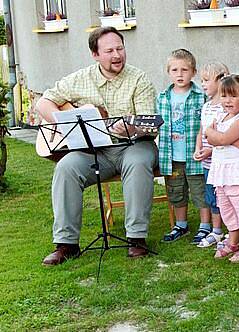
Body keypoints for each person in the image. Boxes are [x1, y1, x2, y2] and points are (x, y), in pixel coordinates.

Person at [37, 27, 158, 265]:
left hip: (133, 145)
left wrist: (131, 128)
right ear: (95, 54)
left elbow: (149, 124)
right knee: (66, 168)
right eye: (110, 50)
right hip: (94, 151)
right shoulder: (80, 79)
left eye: (120, 48)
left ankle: (136, 238)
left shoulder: (139, 79)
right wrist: (63, 124)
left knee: (138, 162)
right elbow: (43, 103)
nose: (117, 55)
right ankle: (66, 244)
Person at [157, 49, 211, 243]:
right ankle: (181, 224)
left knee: (200, 190)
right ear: (168, 72)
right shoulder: (163, 97)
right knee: (176, 191)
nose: (180, 74)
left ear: (193, 72)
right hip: (172, 156)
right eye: (175, 70)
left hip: (194, 155)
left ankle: (205, 225)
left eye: (184, 70)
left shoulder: (200, 96)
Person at [206, 74, 239, 262]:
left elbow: (219, 139)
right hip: (221, 172)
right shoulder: (221, 116)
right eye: (224, 95)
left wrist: (222, 138)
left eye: (233, 96)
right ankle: (233, 239)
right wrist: (222, 138)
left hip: (238, 172)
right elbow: (208, 134)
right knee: (227, 209)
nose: (227, 100)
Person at [193, 62, 229, 248]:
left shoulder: (225, 108)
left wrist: (211, 150)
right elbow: (202, 131)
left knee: (225, 198)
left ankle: (232, 232)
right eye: (202, 81)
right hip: (207, 164)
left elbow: (226, 137)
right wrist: (198, 149)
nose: (203, 84)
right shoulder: (206, 106)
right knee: (212, 198)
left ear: (221, 80)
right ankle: (216, 231)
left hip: (222, 162)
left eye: (207, 80)